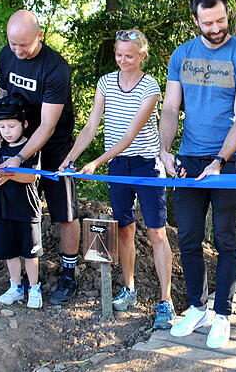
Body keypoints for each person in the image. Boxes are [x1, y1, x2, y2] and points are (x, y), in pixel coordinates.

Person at [160, 0, 236, 349]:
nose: (216, 28)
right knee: (187, 238)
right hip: (188, 160)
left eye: (221, 20)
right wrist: (164, 151)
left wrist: (220, 161)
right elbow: (171, 108)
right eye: (208, 23)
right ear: (195, 22)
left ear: (227, 15)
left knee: (225, 239)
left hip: (230, 163)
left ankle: (222, 314)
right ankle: (196, 306)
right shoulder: (182, 55)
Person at [58, 28, 175, 328]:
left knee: (157, 233)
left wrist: (96, 161)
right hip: (118, 167)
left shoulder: (150, 87)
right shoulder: (106, 82)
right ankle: (129, 288)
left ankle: (166, 301)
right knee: (124, 229)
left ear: (142, 56)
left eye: (129, 56)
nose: (123, 60)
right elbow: (91, 125)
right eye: (119, 55)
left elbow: (129, 135)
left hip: (147, 166)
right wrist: (70, 158)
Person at [0, 10, 80, 305]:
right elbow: (3, 95)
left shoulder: (55, 68)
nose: (17, 50)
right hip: (15, 138)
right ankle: (19, 277)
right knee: (14, 205)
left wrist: (22, 159)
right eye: (12, 44)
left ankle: (68, 273)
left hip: (54, 146)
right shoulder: (7, 54)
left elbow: (48, 124)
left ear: (40, 36)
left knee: (64, 213)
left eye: (23, 45)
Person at [0, 95, 43, 309]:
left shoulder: (30, 147)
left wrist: (9, 174)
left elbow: (32, 176)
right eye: (2, 127)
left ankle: (34, 288)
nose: (7, 131)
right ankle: (15, 286)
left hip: (27, 210)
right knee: (10, 252)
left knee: (30, 252)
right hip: (3, 209)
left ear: (24, 124)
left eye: (11, 126)